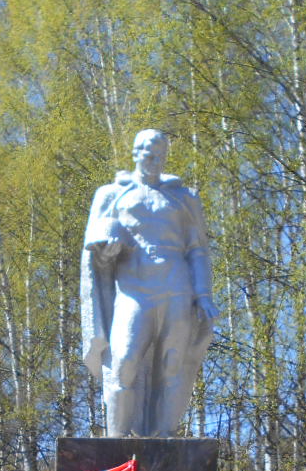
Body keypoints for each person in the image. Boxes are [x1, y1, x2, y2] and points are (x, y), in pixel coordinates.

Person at [80, 130, 219, 437]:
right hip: (134, 290)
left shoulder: (183, 198)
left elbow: (197, 250)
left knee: (172, 365)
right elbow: (95, 252)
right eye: (148, 154)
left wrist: (204, 295)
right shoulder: (111, 194)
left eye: (160, 156)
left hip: (177, 287)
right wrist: (107, 251)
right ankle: (115, 445)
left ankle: (164, 439)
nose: (154, 161)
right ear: (135, 153)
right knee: (124, 362)